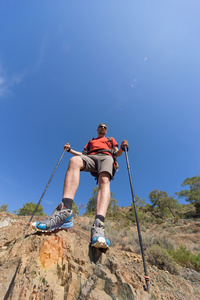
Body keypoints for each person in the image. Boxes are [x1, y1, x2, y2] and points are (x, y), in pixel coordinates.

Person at [32, 123, 128, 249]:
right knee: (74, 161)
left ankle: (98, 226)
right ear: (97, 129)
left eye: (105, 127)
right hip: (91, 157)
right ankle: (66, 212)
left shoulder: (110, 140)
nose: (103, 128)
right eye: (101, 126)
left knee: (104, 180)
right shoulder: (91, 141)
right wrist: (70, 150)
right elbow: (82, 154)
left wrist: (121, 147)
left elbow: (117, 153)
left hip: (107, 157)